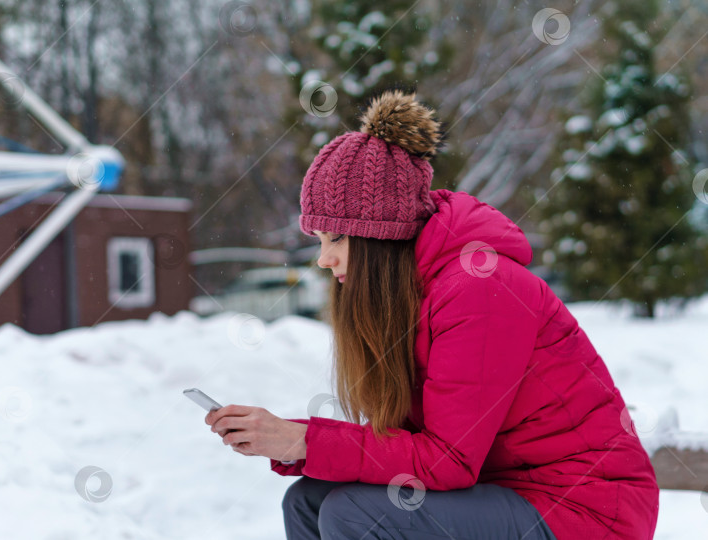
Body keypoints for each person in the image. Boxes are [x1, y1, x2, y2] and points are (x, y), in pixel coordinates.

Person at [205, 89, 659, 539]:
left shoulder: (480, 286)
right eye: (320, 240)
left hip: (585, 511)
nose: (324, 259)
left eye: (337, 239)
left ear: (379, 237)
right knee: (309, 500)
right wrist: (292, 438)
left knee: (358, 513)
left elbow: (447, 461)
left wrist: (303, 440)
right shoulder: (413, 292)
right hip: (502, 491)